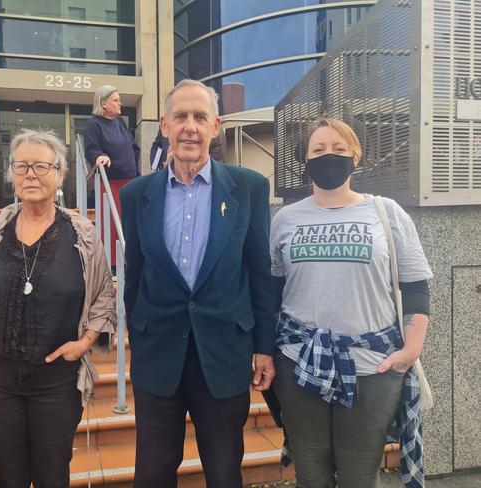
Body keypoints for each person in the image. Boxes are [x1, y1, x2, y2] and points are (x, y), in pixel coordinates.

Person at [120, 79, 278, 488]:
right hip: (158, 358)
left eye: (200, 117)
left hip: (224, 354)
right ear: (165, 125)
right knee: (153, 473)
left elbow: (260, 273)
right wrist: (138, 331)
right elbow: (133, 273)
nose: (190, 126)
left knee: (225, 473)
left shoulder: (250, 188)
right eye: (181, 117)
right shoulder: (137, 195)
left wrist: (264, 346)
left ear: (216, 126)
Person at [0, 129, 117, 488]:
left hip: (56, 386)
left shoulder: (82, 234)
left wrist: (84, 344)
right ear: (11, 174)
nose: (30, 174)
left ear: (60, 175)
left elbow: (103, 296)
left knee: (53, 475)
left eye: (40, 166)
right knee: (7, 478)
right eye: (21, 166)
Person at [268, 118, 432, 487]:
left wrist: (411, 348)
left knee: (360, 473)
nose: (329, 156)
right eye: (319, 149)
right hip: (298, 363)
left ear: (356, 156)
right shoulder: (286, 219)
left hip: (372, 367)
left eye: (340, 149)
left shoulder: (387, 213)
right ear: (304, 159)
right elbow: (273, 292)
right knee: (311, 470)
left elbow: (416, 287)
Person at [84, 84, 140, 265]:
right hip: (111, 184)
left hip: (130, 181)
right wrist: (100, 156)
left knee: (130, 225)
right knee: (113, 226)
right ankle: (113, 265)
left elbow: (132, 145)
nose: (120, 103)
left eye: (119, 99)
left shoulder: (120, 122)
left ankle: (128, 260)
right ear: (103, 103)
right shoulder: (93, 124)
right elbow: (91, 150)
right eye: (116, 100)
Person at [149, 127, 226, 170]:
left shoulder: (212, 132)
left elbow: (216, 162)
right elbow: (157, 147)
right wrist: (155, 168)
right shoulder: (165, 127)